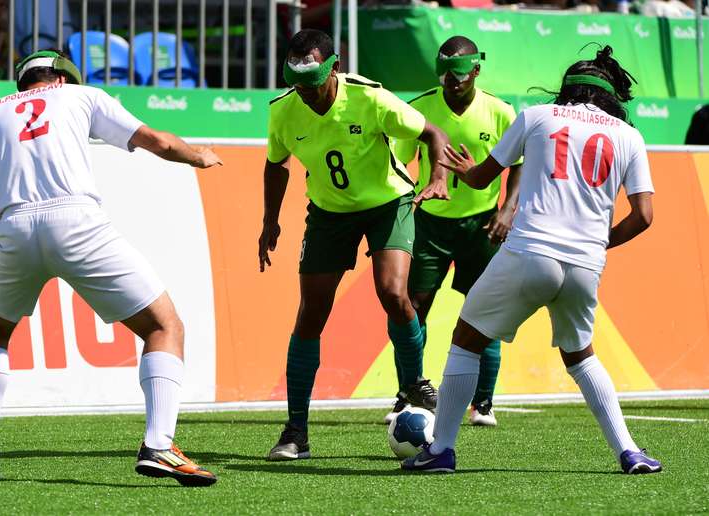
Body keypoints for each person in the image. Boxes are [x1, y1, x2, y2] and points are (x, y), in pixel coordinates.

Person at [0, 50, 222, 486]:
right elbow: (158, 142)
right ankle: (159, 445)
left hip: (15, 227)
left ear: (22, 83)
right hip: (77, 224)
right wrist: (198, 155)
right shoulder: (83, 96)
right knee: (164, 326)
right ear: (64, 78)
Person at [402, 45, 663, 474]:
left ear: (568, 89)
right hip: (585, 265)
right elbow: (645, 216)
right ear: (608, 94)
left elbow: (483, 177)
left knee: (466, 339)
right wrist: (599, 244)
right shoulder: (628, 136)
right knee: (582, 357)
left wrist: (465, 171)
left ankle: (441, 449)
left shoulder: (537, 117)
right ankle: (629, 452)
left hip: (530, 252)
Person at [258, 29, 449, 461]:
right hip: (328, 212)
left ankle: (413, 384)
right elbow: (276, 166)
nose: (304, 92)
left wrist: (437, 176)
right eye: (296, 82)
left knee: (393, 292)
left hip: (387, 204)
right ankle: (295, 432)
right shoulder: (285, 111)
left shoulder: (372, 99)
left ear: (336, 68)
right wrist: (269, 221)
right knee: (311, 313)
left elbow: (433, 134)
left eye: (313, 82)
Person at [391, 35, 522, 427]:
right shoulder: (419, 108)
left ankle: (483, 403)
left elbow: (520, 163)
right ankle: (407, 395)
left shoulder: (500, 111)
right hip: (429, 224)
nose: (452, 78)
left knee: (485, 311)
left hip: (481, 225)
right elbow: (396, 164)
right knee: (412, 309)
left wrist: (507, 210)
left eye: (460, 71)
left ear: (476, 70)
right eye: (444, 70)